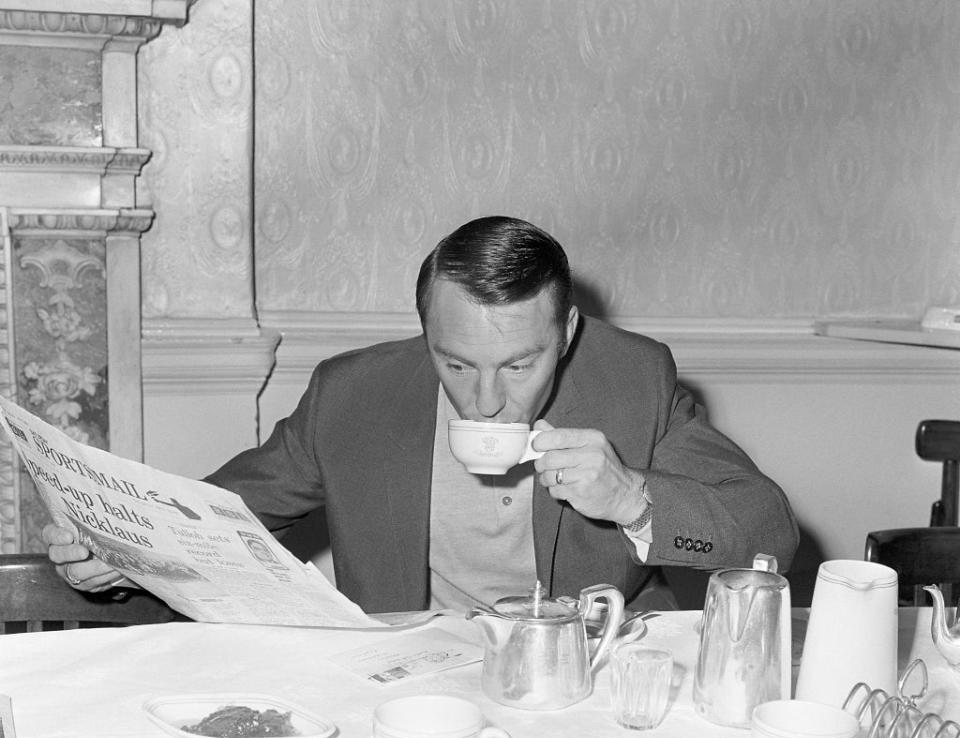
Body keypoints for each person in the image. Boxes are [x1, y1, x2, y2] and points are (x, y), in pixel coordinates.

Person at [44, 216, 799, 613]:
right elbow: (220, 517)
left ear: (566, 335)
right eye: (456, 363)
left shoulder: (634, 378)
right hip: (407, 684)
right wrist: (122, 554)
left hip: (587, 678)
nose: (485, 399)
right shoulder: (353, 396)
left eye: (519, 365)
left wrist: (633, 498)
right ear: (426, 336)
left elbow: (771, 533)